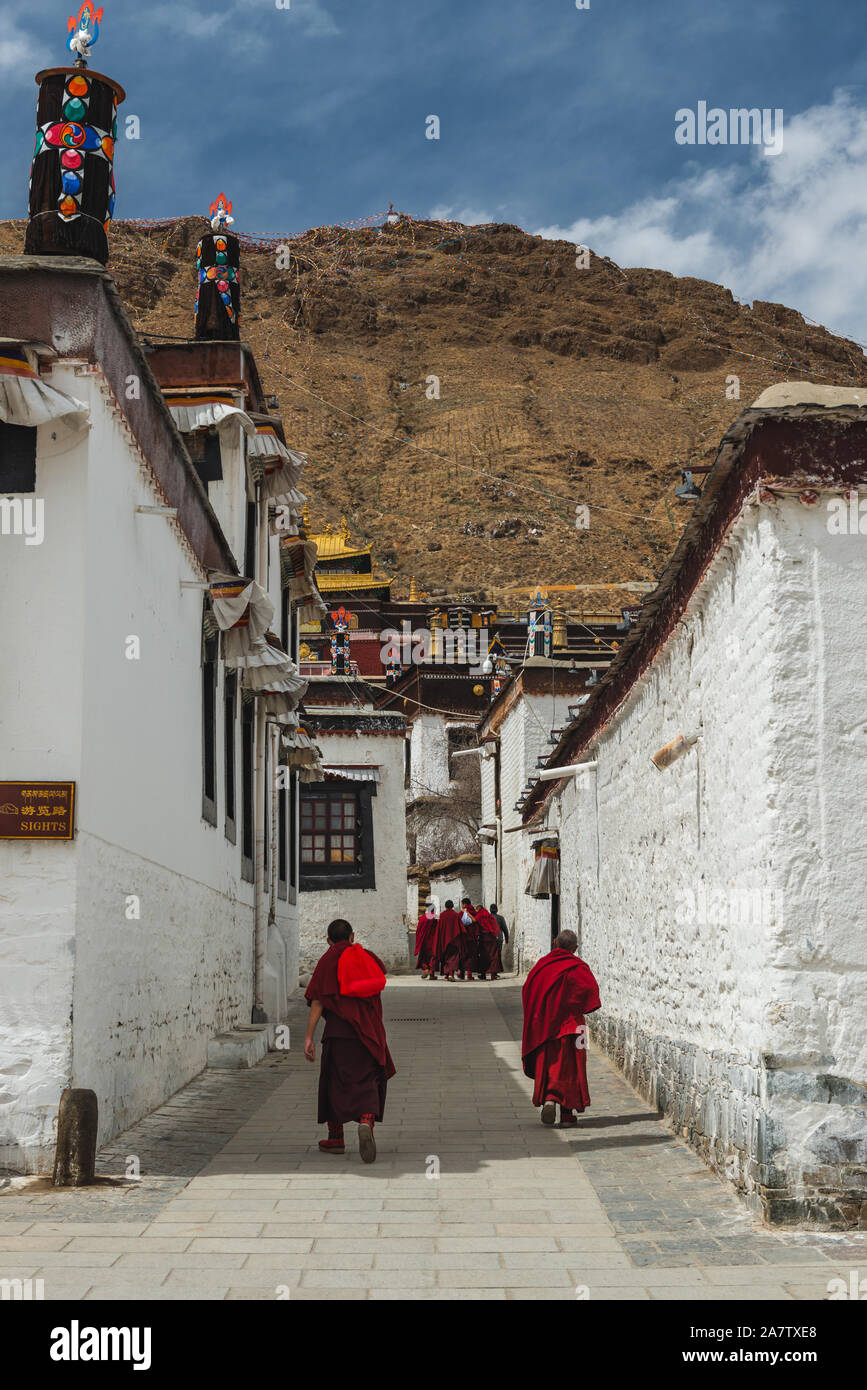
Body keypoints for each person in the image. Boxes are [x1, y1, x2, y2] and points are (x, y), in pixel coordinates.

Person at [304, 919, 396, 1162]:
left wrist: (308, 1037)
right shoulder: (366, 957)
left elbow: (317, 1000)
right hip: (369, 1032)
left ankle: (336, 1138)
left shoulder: (327, 961)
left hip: (339, 1033)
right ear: (353, 936)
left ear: (328, 940)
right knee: (368, 1078)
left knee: (334, 1082)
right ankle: (366, 1120)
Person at [521, 929, 600, 1129]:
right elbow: (590, 994)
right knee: (572, 1069)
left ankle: (549, 1099)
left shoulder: (541, 966)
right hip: (573, 1028)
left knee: (549, 1065)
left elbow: (528, 992)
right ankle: (567, 1115)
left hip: (546, 1027)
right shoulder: (579, 967)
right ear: (575, 948)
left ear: (555, 943)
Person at [462, 899, 502, 980]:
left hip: (484, 939)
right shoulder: (488, 915)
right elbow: (494, 926)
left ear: (479, 909)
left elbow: (474, 920)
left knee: (484, 956)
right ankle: (493, 975)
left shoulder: (480, 914)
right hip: (492, 938)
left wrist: (467, 913)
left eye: (477, 910)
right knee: (493, 956)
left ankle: (483, 974)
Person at [436, 899, 463, 981]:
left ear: (445, 906)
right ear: (452, 906)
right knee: (453, 957)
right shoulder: (456, 915)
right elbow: (461, 928)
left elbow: (439, 929)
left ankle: (446, 975)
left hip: (444, 940)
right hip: (454, 940)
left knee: (445, 957)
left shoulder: (442, 915)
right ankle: (451, 974)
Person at [414, 901, 439, 979]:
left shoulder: (422, 918)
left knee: (424, 956)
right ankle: (431, 974)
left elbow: (418, 930)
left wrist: (419, 940)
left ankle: (426, 969)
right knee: (432, 957)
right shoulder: (435, 917)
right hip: (433, 940)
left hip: (424, 941)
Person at [456, 899, 478, 980]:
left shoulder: (462, 913)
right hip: (472, 938)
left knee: (462, 955)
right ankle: (469, 974)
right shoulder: (474, 911)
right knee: (471, 956)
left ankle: (462, 974)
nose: (461, 905)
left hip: (463, 938)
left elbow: (458, 923)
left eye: (462, 904)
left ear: (464, 904)